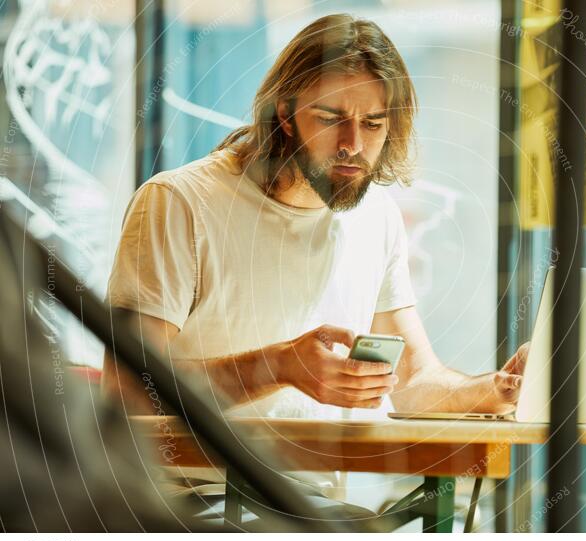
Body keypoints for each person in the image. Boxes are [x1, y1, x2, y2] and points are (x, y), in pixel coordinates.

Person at [103, 13, 528, 498]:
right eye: (330, 119)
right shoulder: (179, 204)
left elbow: (412, 383)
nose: (353, 145)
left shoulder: (376, 218)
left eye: (372, 124)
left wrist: (497, 389)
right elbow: (127, 388)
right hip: (190, 504)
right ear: (284, 113)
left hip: (318, 509)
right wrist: (280, 366)